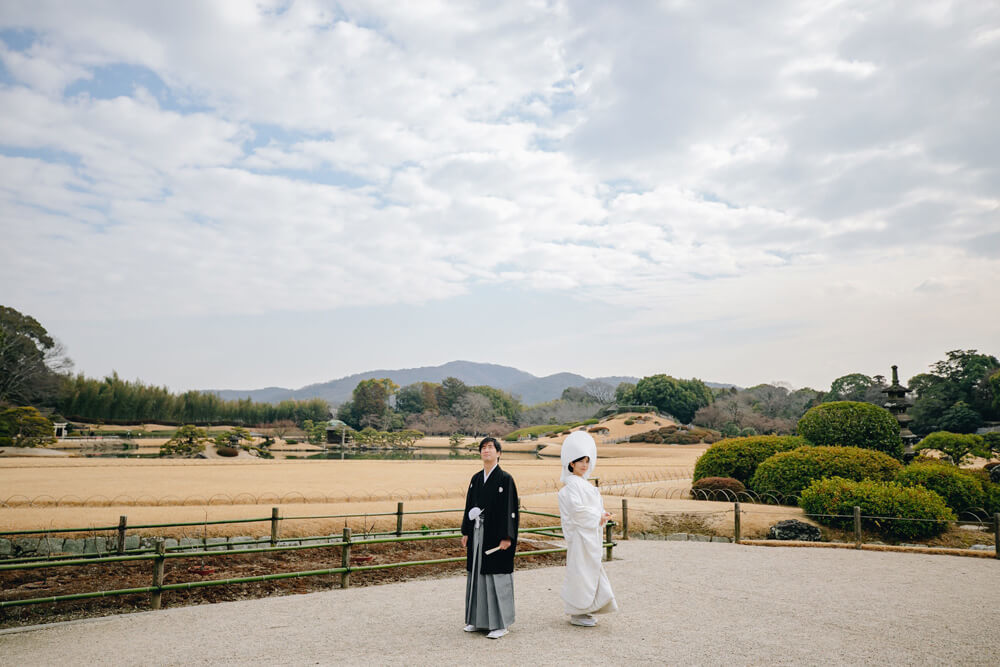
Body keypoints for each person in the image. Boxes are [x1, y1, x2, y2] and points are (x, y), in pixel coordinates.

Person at [461, 436, 519, 639]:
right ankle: (478, 620)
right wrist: (466, 531)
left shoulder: (505, 479)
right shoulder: (476, 479)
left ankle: (501, 623)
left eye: (490, 447)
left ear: (499, 453)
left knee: (496, 576)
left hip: (496, 534)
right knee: (477, 573)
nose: (486, 450)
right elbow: (469, 505)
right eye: (483, 448)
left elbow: (510, 509)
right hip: (478, 532)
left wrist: (507, 536)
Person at [557, 431, 618, 627]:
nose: (584, 465)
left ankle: (588, 608)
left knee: (591, 571)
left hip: (590, 534)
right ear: (571, 463)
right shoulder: (571, 487)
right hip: (580, 537)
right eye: (580, 461)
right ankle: (577, 611)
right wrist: (597, 517)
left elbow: (593, 508)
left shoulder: (585, 485)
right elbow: (577, 511)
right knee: (580, 572)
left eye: (587, 461)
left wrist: (602, 514)